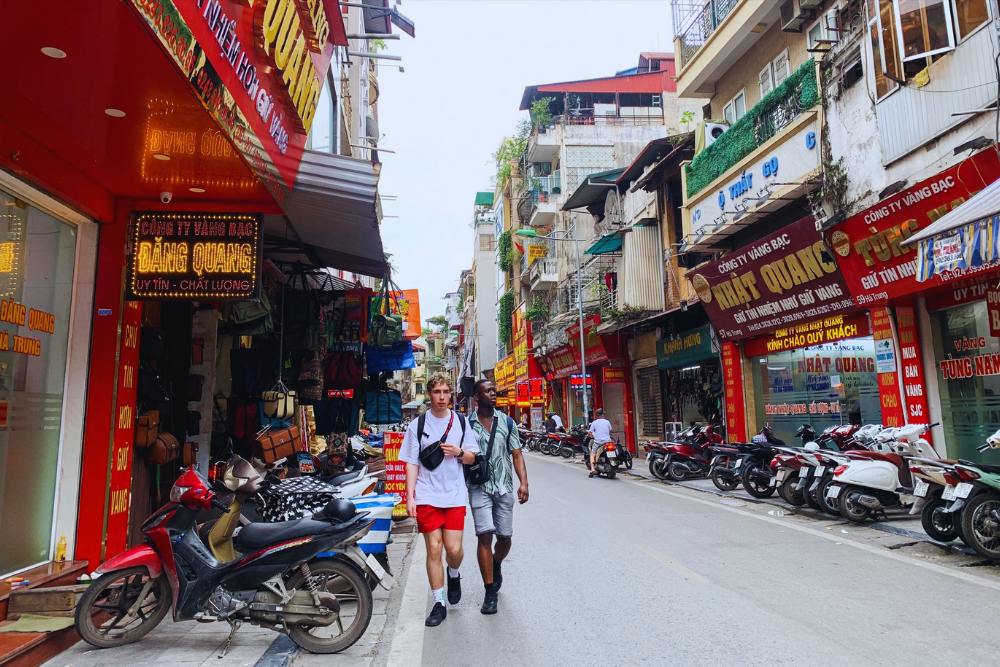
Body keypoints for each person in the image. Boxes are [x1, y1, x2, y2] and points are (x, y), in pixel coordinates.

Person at [400, 372, 480, 627]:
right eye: (437, 392)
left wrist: (459, 453)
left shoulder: (461, 422)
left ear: (451, 395)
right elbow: (411, 463)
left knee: (454, 550)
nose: (442, 397)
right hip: (427, 494)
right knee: (434, 548)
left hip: (455, 495)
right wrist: (410, 496)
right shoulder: (418, 426)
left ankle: (453, 573)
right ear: (430, 395)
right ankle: (438, 602)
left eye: (446, 392)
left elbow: (473, 457)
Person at [468, 379, 528, 614]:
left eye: (494, 391)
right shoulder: (466, 425)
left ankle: (496, 562)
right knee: (484, 536)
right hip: (478, 487)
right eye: (488, 391)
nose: (493, 394)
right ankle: (489, 591)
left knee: (504, 538)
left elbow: (516, 454)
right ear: (476, 397)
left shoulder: (507, 422)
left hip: (503, 486)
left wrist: (524, 482)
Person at [587, 408, 613, 478]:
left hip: (598, 442)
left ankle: (592, 469)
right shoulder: (607, 422)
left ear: (597, 415)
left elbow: (590, 433)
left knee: (592, 454)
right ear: (603, 414)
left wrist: (591, 435)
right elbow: (610, 431)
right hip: (608, 441)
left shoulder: (594, 423)